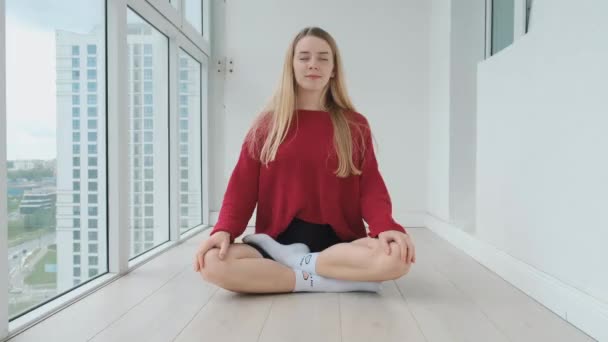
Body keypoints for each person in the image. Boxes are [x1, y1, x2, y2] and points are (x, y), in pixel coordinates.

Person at [193, 26, 416, 294]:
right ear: (292, 66)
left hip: (340, 246)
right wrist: (224, 231)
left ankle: (298, 265)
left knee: (397, 259)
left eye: (323, 58)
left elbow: (370, 186)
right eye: (304, 57)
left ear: (334, 69)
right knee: (211, 264)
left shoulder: (354, 125)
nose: (313, 65)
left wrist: (386, 227)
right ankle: (324, 278)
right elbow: (241, 187)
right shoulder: (266, 125)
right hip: (275, 241)